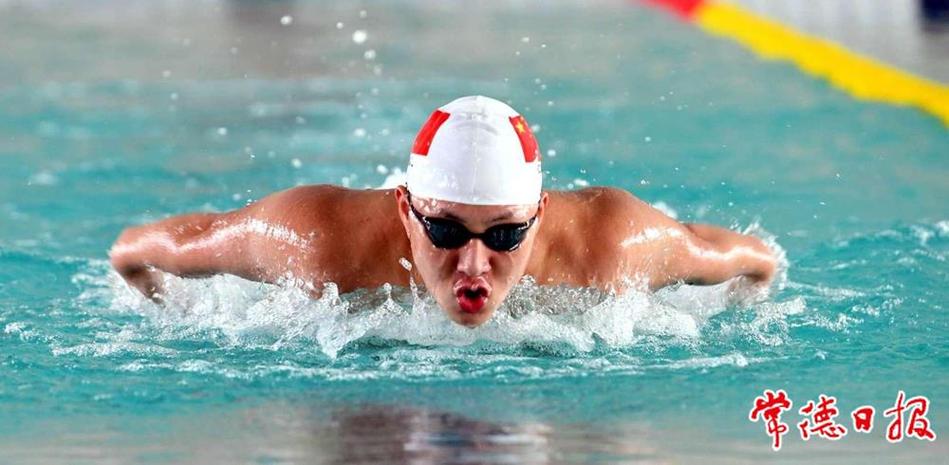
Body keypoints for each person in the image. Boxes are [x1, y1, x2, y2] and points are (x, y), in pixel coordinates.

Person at [110, 96, 777, 327]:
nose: (474, 262)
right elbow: (134, 251)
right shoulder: (316, 244)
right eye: (446, 229)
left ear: (540, 214)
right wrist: (179, 317)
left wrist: (733, 323)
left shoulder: (612, 249)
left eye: (506, 233)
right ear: (405, 208)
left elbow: (756, 263)